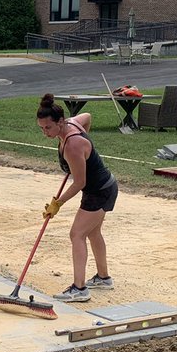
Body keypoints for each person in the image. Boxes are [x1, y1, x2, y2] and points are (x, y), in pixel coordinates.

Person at [36, 93, 118, 302]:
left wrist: (57, 203)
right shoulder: (73, 124)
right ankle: (103, 277)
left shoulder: (73, 145)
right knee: (92, 233)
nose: (45, 133)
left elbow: (79, 182)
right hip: (101, 187)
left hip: (99, 191)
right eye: (42, 128)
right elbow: (87, 117)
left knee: (77, 234)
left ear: (61, 122)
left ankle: (79, 289)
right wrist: (82, 159)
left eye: (48, 128)